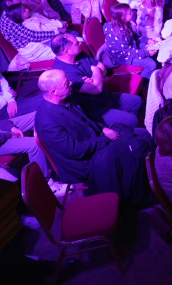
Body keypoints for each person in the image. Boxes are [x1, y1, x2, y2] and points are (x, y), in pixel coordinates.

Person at [35, 69, 153, 208]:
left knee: (142, 133)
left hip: (94, 141)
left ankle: (149, 179)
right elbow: (76, 151)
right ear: (54, 92)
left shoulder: (66, 99)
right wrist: (107, 139)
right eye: (66, 83)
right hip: (83, 161)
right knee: (136, 145)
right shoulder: (47, 121)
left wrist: (103, 128)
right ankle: (139, 196)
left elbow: (86, 121)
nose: (71, 83)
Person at [50, 34, 143, 127]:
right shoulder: (64, 73)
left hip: (105, 96)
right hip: (94, 109)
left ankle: (124, 129)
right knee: (132, 120)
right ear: (67, 51)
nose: (80, 43)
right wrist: (96, 70)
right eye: (76, 43)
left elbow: (102, 68)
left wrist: (95, 79)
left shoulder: (78, 54)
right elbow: (97, 89)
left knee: (137, 102)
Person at [0, 3, 64, 70]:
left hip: (38, 44)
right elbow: (34, 36)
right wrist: (56, 31)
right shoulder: (16, 25)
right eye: (24, 11)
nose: (27, 9)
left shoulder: (10, 15)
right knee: (63, 52)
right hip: (33, 51)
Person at [103, 3, 158, 78]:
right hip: (123, 57)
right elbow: (128, 52)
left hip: (132, 45)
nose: (132, 13)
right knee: (151, 64)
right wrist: (146, 53)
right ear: (122, 17)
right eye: (129, 13)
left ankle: (154, 74)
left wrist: (148, 40)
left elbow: (134, 35)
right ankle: (144, 81)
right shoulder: (118, 34)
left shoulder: (125, 23)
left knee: (154, 48)